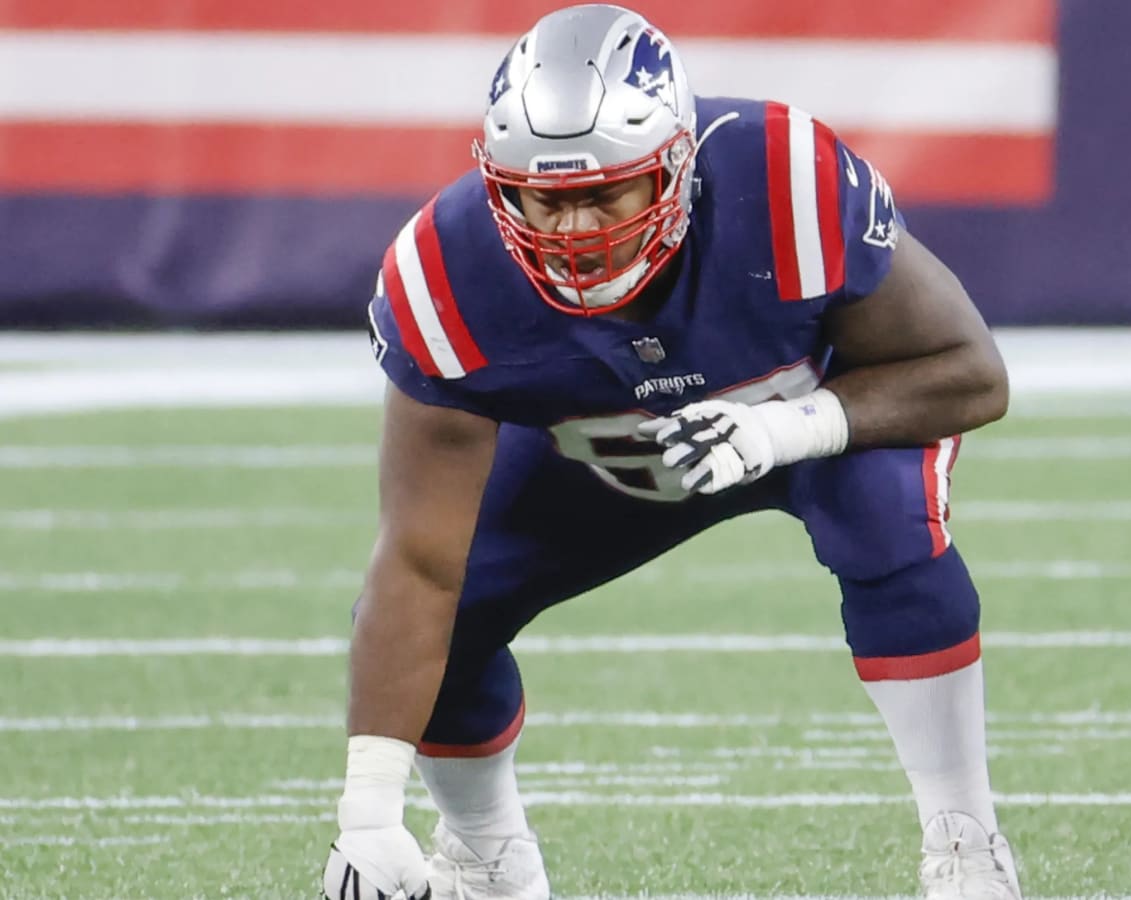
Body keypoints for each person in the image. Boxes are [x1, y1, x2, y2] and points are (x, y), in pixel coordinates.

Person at [322, 4, 1023, 899]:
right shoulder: (444, 272)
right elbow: (419, 566)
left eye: (602, 194)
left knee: (883, 513)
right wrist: (369, 814)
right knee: (448, 613)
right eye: (545, 199)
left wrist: (783, 428)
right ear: (500, 186)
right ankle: (487, 855)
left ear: (679, 170)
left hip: (811, 426)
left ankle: (965, 844)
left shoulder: (784, 179)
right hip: (606, 462)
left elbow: (969, 375)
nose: (572, 233)